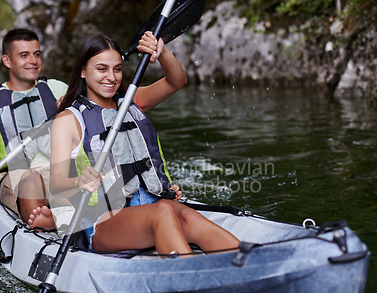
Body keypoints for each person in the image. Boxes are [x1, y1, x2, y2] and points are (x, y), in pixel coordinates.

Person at [48, 31, 240, 256]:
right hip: (104, 221)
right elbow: (57, 183)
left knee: (185, 214)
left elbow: (177, 81)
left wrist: (162, 52)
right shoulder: (69, 120)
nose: (111, 77)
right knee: (164, 212)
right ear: (82, 71)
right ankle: (194, 277)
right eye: (102, 69)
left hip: (152, 206)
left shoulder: (132, 102)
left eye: (117, 69)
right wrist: (79, 181)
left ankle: (248, 262)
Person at [0, 28, 68, 231]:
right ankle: (42, 230)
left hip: (58, 170)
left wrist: (70, 105)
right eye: (24, 55)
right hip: (16, 175)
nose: (33, 61)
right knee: (30, 178)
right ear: (7, 61)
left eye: (37, 54)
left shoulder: (58, 89)